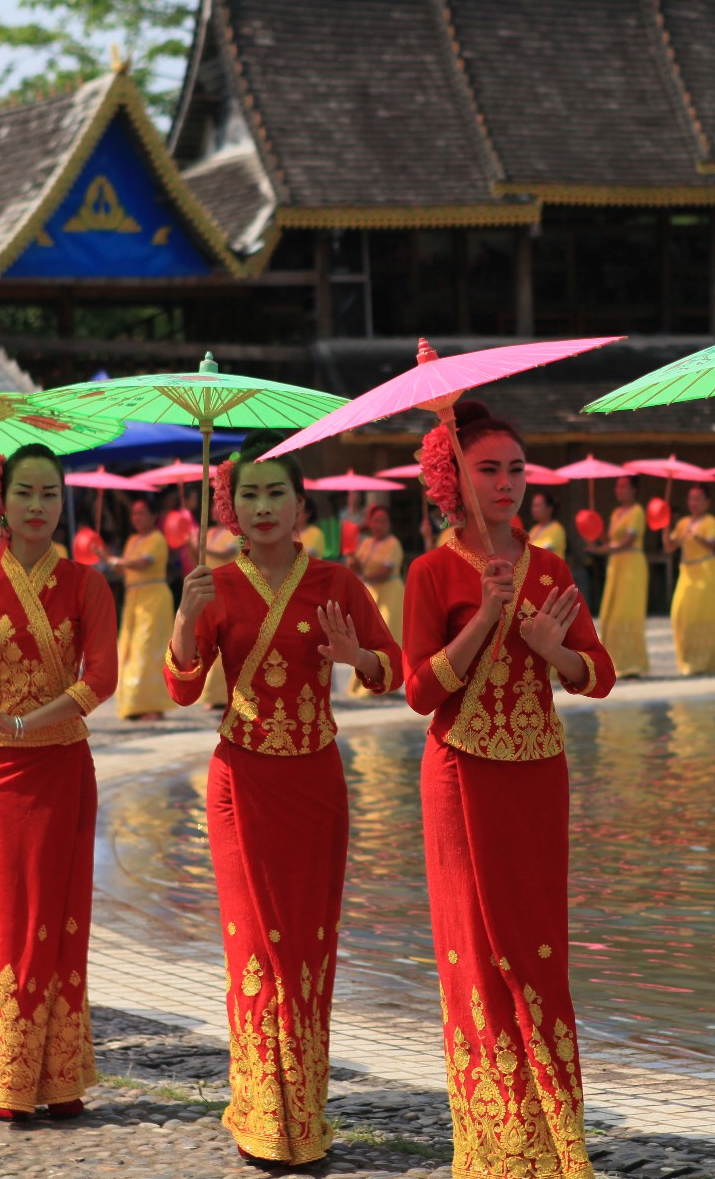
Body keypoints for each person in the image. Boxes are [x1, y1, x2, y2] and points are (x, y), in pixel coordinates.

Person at [163, 436, 401, 1166]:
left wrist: (356, 658)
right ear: (232, 507)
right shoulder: (214, 584)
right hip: (241, 781)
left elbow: (393, 669)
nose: (263, 507)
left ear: (302, 505)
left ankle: (304, 1110)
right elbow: (179, 684)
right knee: (255, 947)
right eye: (251, 494)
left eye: (278, 493)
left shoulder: (336, 580)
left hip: (315, 782)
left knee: (307, 947)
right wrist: (183, 616)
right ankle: (265, 1114)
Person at [401, 401, 614, 1178]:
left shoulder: (551, 565)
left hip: (537, 775)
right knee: (476, 955)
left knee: (537, 951)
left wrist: (555, 653)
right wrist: (483, 621)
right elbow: (419, 689)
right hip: (459, 776)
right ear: (452, 476)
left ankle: (557, 1142)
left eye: (517, 469)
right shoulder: (431, 571)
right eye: (488, 468)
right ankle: (496, 1146)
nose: (506, 482)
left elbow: (601, 673)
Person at [0, 444, 118, 1121]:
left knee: (64, 918)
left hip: (64, 763)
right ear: (0, 503)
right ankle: (8, 1074)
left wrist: (28, 719)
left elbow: (101, 679)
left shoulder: (88, 584)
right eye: (25, 493)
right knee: (8, 918)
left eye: (49, 493)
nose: (38, 505)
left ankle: (60, 1074)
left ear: (61, 500)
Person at [110, 497, 174, 720]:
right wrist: (105, 560)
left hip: (153, 600)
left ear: (153, 516)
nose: (137, 518)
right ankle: (133, 705)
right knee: (128, 648)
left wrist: (112, 560)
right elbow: (125, 570)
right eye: (134, 514)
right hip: (134, 598)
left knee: (147, 648)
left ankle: (153, 706)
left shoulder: (157, 538)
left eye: (142, 513)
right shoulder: (132, 540)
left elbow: (142, 564)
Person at [593, 473, 649, 677]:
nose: (619, 490)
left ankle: (631, 663)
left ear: (634, 490)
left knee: (626, 612)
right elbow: (609, 539)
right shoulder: (616, 513)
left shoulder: (637, 512)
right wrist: (594, 526)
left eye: (624, 486)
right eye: (618, 486)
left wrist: (602, 550)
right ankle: (613, 661)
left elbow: (627, 541)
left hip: (632, 566)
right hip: (616, 564)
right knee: (610, 613)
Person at [346, 504, 405, 698]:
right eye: (376, 520)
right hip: (371, 593)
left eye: (384, 521)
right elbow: (358, 568)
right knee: (367, 636)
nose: (380, 525)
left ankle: (390, 680)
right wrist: (352, 560)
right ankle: (370, 681)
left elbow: (385, 572)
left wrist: (363, 574)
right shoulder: (366, 542)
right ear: (370, 523)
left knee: (388, 635)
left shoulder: (393, 544)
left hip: (391, 593)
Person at [665, 484, 715, 675]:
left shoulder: (710, 521)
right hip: (686, 573)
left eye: (698, 498)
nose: (693, 502)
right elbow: (669, 547)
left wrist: (696, 536)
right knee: (679, 613)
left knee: (701, 615)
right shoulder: (682, 523)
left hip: (705, 571)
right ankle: (686, 660)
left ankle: (704, 662)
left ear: (707, 502)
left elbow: (711, 544)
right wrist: (665, 525)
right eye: (691, 498)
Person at [198, 515, 242, 708]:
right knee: (208, 641)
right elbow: (200, 562)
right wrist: (192, 546)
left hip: (230, 590)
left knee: (228, 641)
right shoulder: (208, 534)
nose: (216, 509)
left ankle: (230, 693)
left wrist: (200, 546)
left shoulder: (238, 533)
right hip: (209, 590)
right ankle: (212, 694)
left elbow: (226, 555)